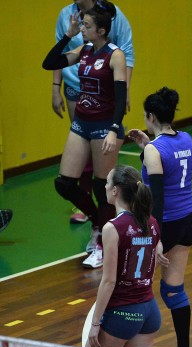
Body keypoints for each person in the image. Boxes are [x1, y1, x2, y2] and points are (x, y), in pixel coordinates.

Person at [78, 165, 164, 347]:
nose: (104, 186)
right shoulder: (151, 222)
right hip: (149, 311)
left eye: (107, 183)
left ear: (115, 191)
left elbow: (109, 281)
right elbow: (155, 251)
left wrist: (96, 322)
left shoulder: (113, 228)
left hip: (122, 314)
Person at [43, 1, 127, 269]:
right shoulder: (84, 49)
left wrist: (114, 129)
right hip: (81, 123)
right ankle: (97, 223)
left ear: (101, 30)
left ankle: (102, 243)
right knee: (64, 184)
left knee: (103, 189)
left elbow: (121, 97)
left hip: (104, 126)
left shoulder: (115, 55)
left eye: (86, 26)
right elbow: (49, 63)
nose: (82, 29)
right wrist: (67, 36)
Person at [127, 87, 192, 347]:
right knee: (173, 289)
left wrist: (154, 238)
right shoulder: (187, 139)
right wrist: (147, 146)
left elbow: (155, 199)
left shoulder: (155, 150)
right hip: (188, 221)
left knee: (133, 288)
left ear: (152, 116)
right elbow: (172, 167)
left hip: (165, 224)